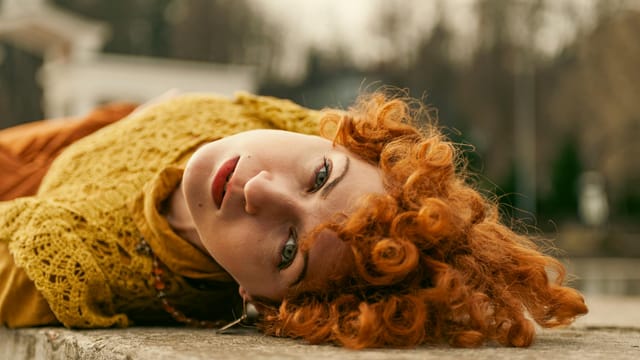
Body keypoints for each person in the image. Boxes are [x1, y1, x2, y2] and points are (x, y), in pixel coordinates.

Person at [0, 90, 588, 349]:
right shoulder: (290, 120)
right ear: (344, 139)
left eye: (288, 252)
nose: (257, 189)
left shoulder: (75, 267)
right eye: (319, 176)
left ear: (262, 302)